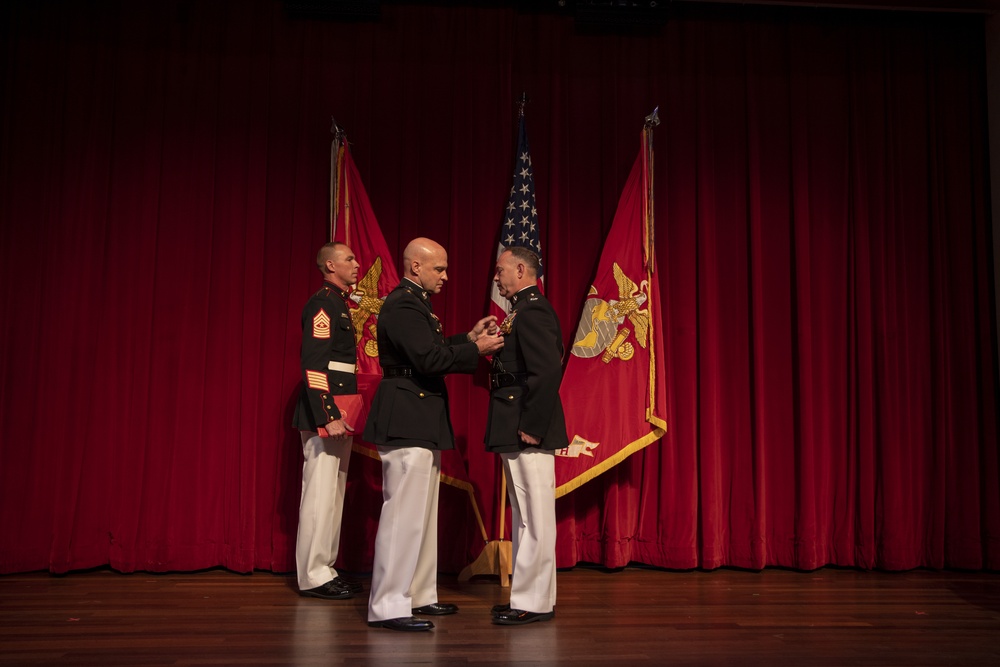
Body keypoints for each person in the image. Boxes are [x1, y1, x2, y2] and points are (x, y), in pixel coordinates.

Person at [364, 237, 504, 632]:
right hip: (406, 417)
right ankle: (389, 604)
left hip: (419, 417)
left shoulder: (416, 303)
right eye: (438, 269)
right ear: (415, 268)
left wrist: (466, 339)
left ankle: (419, 594)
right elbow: (427, 359)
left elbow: (433, 348)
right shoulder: (405, 303)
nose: (445, 276)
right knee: (403, 518)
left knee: (421, 518)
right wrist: (474, 350)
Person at [485, 246, 567, 626]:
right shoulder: (520, 311)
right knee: (524, 516)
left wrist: (533, 425)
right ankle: (530, 595)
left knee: (534, 516)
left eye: (501, 270)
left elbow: (547, 372)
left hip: (527, 422)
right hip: (515, 417)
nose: (496, 277)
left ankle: (534, 602)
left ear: (521, 269)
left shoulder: (532, 310)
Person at [291, 242, 364, 600]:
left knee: (333, 493)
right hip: (328, 411)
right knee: (320, 494)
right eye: (349, 259)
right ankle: (313, 575)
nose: (356, 263)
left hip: (341, 407)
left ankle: (326, 568)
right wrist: (327, 413)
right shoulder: (323, 303)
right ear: (330, 265)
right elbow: (314, 363)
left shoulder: (339, 303)